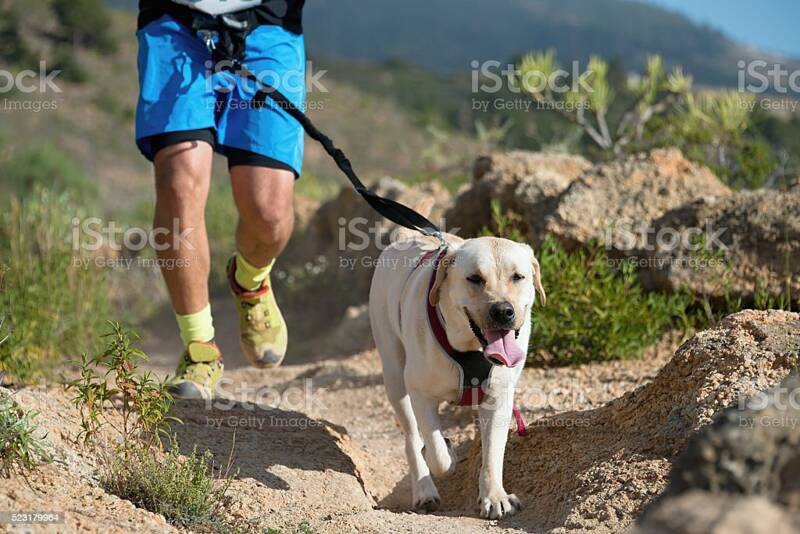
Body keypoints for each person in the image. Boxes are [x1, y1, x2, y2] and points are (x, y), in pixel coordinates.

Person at [135, 0, 306, 398]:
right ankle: (200, 349)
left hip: (269, 23)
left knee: (270, 214)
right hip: (174, 22)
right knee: (179, 183)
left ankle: (250, 282)